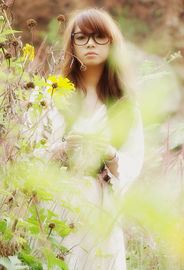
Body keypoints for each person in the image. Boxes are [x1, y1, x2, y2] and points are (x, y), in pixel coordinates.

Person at [49, 7, 144, 270]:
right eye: (81, 37)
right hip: (57, 204)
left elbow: (135, 159)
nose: (90, 43)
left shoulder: (125, 103)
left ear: (112, 43)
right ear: (72, 43)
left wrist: (112, 154)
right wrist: (61, 149)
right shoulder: (54, 93)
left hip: (103, 209)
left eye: (99, 36)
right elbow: (32, 151)